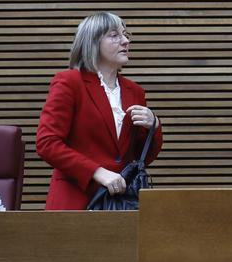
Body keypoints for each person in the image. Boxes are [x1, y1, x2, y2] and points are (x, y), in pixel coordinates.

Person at [37, 12, 163, 209]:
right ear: (92, 43)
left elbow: (141, 159)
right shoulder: (70, 82)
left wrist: (153, 126)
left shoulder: (135, 92)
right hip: (76, 202)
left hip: (121, 205)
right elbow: (47, 143)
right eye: (114, 35)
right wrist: (97, 172)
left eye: (125, 34)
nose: (125, 41)